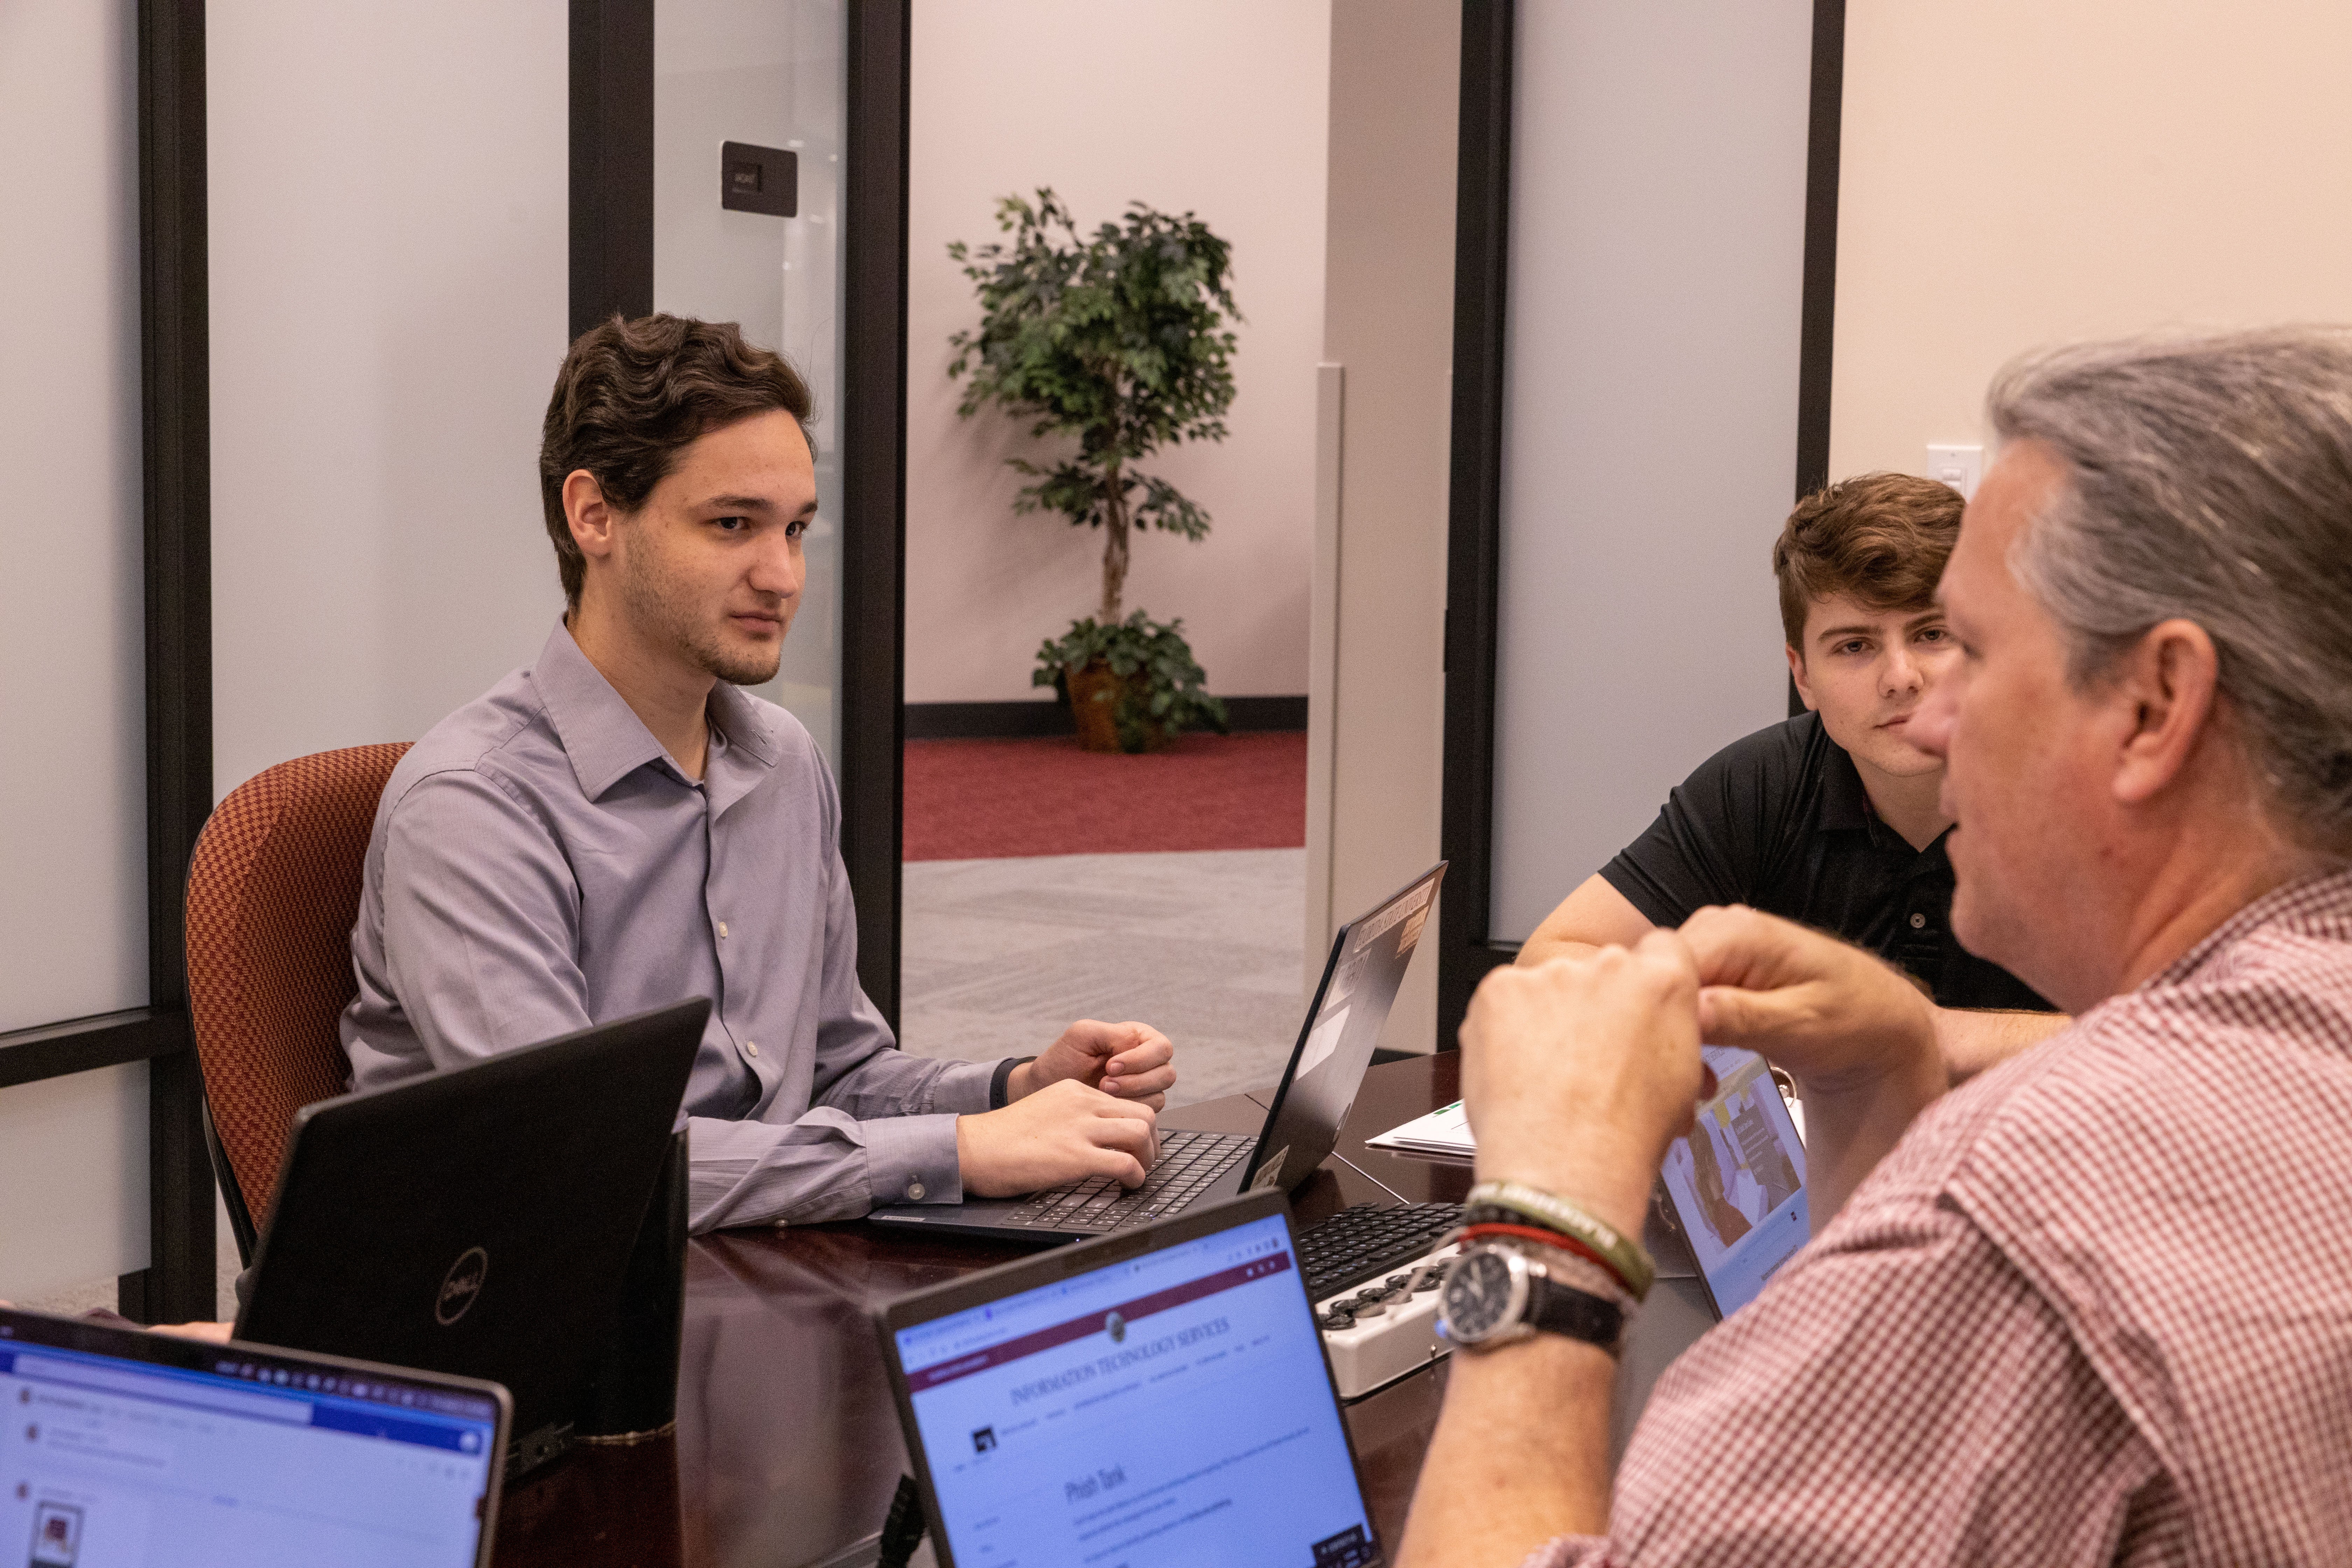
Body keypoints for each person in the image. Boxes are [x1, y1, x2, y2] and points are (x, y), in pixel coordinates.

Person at [1400, 328, 2352, 1565]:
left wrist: (1549, 1227)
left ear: (2156, 707)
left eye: (1972, 647)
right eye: (1865, 651)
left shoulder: (2006, 1231)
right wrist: (1891, 1078)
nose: (1927, 712)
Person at [341, 314, 1176, 1233]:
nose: (783, 576)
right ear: (595, 516)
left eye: (797, 529)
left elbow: (837, 1072)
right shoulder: (474, 807)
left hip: (761, 1260)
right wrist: (962, 1151)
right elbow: (574, 1160)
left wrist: (1013, 1089)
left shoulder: (781, 763)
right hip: (542, 1318)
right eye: (733, 525)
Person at [1517, 472, 2063, 1079]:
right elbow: (1553, 964)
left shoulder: (2085, 789)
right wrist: (1745, 1039)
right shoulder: (1759, 784)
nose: (1901, 677)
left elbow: (2180, 1036)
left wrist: (1925, 1035)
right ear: (1802, 676)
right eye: (1855, 647)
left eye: (1932, 634)